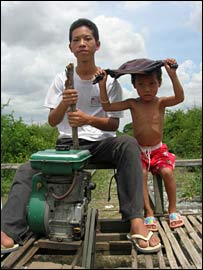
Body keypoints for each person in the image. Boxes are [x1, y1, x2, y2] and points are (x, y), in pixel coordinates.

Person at [1, 18, 161, 254]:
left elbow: (114, 123)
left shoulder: (108, 81)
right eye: (76, 40)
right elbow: (53, 121)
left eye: (87, 39)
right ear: (71, 47)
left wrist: (88, 119)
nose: (82, 43)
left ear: (97, 45)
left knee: (128, 143)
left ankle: (135, 219)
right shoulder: (61, 79)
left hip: (102, 144)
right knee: (27, 169)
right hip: (68, 145)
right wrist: (65, 103)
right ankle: (7, 230)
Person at [95, 57, 185, 231]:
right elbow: (107, 107)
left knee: (167, 172)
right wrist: (101, 85)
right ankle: (149, 213)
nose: (147, 89)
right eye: (141, 85)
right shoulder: (132, 103)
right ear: (134, 86)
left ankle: (173, 210)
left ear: (159, 83)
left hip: (158, 150)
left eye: (152, 84)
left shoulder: (161, 102)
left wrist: (172, 74)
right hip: (140, 151)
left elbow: (180, 97)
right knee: (141, 175)